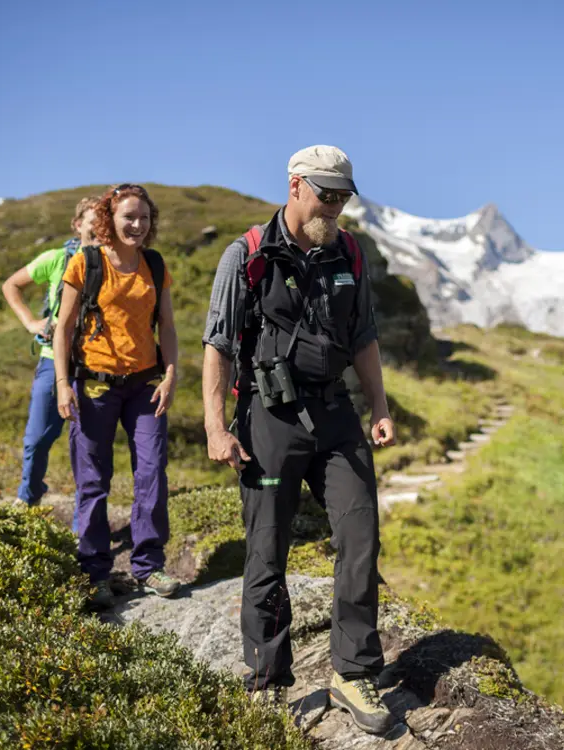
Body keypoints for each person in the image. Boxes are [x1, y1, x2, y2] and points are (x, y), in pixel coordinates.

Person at [202, 145, 398, 734]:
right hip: (269, 415)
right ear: (295, 186)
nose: (334, 207)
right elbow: (217, 345)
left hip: (335, 412)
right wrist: (215, 427)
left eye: (342, 196)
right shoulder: (247, 256)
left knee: (360, 532)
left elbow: (362, 336)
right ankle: (266, 679)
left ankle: (353, 672)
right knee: (267, 547)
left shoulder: (351, 255)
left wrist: (380, 409)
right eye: (325, 194)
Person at [53, 183, 180, 610]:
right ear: (110, 219)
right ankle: (95, 573)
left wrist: (171, 374)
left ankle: (148, 565)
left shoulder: (155, 265)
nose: (138, 225)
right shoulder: (85, 263)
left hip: (145, 384)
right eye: (129, 217)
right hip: (93, 386)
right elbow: (63, 329)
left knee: (152, 472)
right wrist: (60, 385)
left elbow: (167, 326)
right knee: (92, 482)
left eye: (144, 217)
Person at [2, 196, 98, 509]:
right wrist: (31, 321)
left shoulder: (114, 262)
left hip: (95, 366)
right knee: (36, 438)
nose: (97, 229)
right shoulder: (57, 258)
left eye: (104, 223)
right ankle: (28, 497)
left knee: (87, 446)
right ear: (77, 224)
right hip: (51, 360)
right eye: (91, 222)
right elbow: (11, 285)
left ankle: (80, 524)